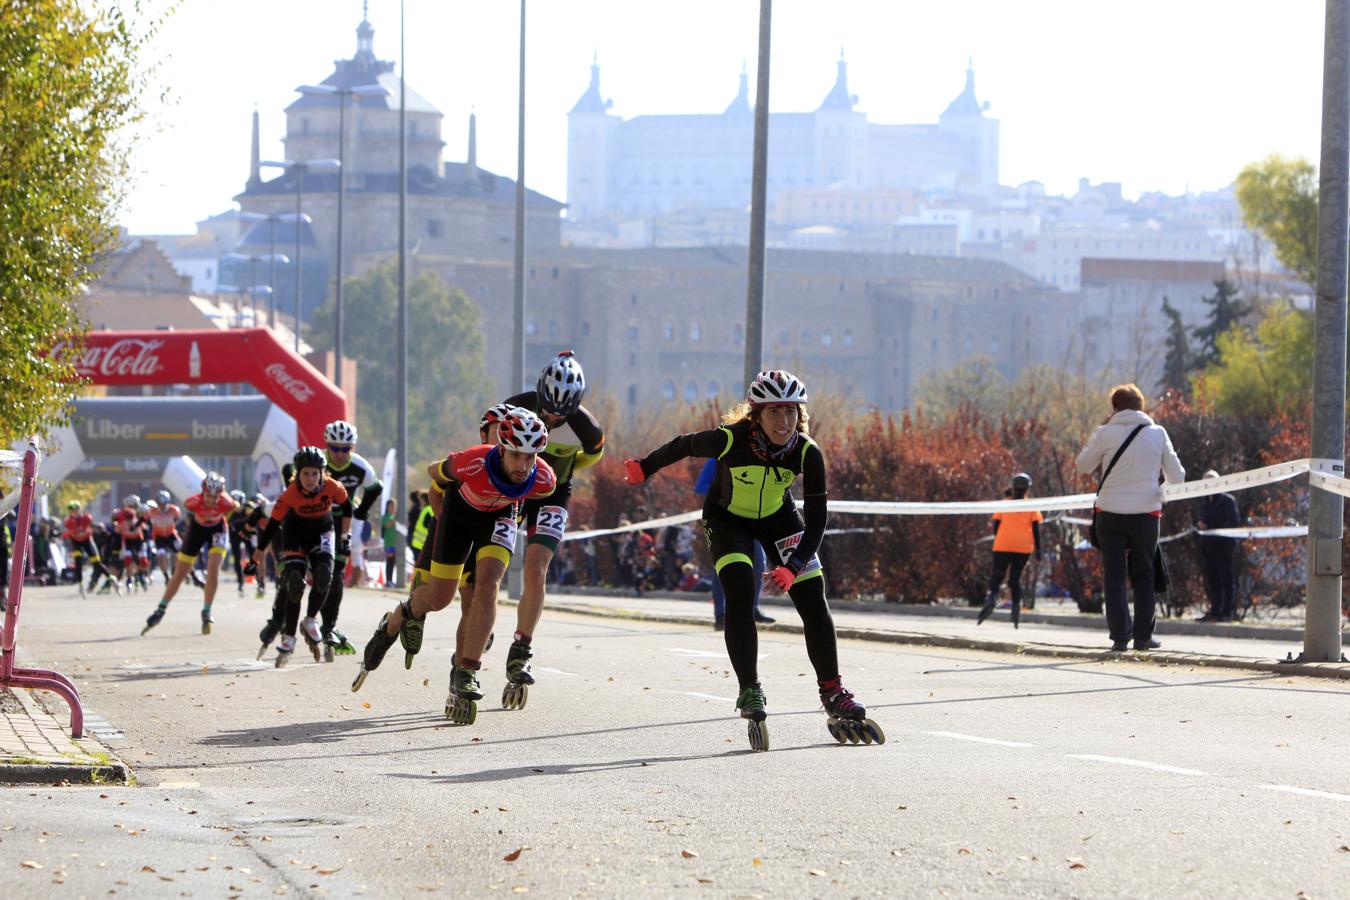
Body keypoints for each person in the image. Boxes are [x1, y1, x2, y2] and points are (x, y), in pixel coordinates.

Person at [623, 369, 884, 751]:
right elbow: (683, 445)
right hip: (727, 520)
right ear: (756, 415)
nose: (784, 422)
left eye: (791, 412)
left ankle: (832, 691)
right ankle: (750, 690)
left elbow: (817, 522)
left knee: (814, 600)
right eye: (775, 413)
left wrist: (792, 568)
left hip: (780, 519)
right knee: (740, 593)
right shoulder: (730, 439)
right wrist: (645, 466)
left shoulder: (808, 452)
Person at [352, 408, 556, 727]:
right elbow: (436, 478)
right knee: (439, 598)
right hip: (458, 516)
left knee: (486, 588)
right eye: (516, 455)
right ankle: (402, 616)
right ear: (501, 448)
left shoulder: (544, 479)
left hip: (499, 520)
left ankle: (466, 671)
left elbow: (534, 504)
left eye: (531, 457)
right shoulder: (472, 461)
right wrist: (442, 521)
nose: (523, 465)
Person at [502, 351, 605, 702]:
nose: (552, 415)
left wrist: (564, 469)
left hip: (554, 493)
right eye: (548, 407)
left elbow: (591, 455)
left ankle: (521, 649)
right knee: (490, 565)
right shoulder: (516, 407)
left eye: (562, 412)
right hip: (511, 489)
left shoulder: (587, 428)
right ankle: (478, 616)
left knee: (536, 571)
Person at [1074, 384, 1185, 652]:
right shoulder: (1158, 434)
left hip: (1109, 514)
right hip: (1146, 515)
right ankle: (1143, 637)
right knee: (1144, 574)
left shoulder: (1104, 433)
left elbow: (1082, 466)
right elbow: (1178, 477)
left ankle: (1119, 638)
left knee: (1114, 576)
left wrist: (1100, 442)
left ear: (1114, 407)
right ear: (1141, 406)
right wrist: (1159, 493)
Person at [251, 447, 350, 667]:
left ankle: (310, 620)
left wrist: (345, 535)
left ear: (322, 473)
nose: (310, 478)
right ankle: (288, 638)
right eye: (305, 473)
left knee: (325, 577)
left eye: (315, 473)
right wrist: (256, 555)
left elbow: (347, 506)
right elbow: (272, 525)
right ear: (298, 473)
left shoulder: (332, 486)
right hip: (294, 534)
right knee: (294, 582)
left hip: (322, 532)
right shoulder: (288, 496)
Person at [141, 472, 238, 636]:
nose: (212, 500)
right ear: (202, 493)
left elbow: (235, 505)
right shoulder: (192, 502)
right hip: (197, 530)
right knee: (179, 574)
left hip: (218, 530)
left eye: (216, 497)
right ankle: (160, 610)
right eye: (208, 496)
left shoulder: (227, 503)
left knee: (213, 572)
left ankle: (206, 611)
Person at [319, 419, 382, 657]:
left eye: (345, 449)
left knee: (335, 578)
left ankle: (329, 626)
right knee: (315, 574)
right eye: (334, 448)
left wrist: (362, 511)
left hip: (344, 523)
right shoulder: (318, 462)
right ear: (327, 446)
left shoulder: (360, 467)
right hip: (316, 523)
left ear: (352, 448)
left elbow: (375, 488)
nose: (339, 454)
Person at [694, 457, 774, 629]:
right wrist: (730, 490)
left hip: (752, 521)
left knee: (759, 565)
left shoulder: (757, 455)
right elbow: (700, 486)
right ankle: (720, 614)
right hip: (725, 522)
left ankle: (752, 609)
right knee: (723, 569)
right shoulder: (717, 457)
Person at [977, 472, 1043, 628]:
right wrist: (1039, 550)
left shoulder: (1004, 503)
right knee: (1014, 579)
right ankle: (1015, 607)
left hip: (1003, 544)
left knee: (997, 576)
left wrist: (1000, 539)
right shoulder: (1032, 506)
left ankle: (991, 599)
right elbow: (1036, 530)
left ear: (1013, 487)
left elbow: (996, 526)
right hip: (1023, 547)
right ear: (1028, 489)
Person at [1196, 469, 1241, 622]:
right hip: (1208, 547)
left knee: (1226, 580)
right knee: (1212, 580)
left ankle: (1227, 613)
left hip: (1224, 547)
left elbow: (1233, 522)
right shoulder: (1204, 502)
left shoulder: (1228, 501)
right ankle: (1214, 611)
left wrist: (1210, 526)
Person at [62, 501, 112, 598]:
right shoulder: (68, 521)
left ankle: (111, 578)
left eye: (75, 510)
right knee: (78, 561)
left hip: (87, 541)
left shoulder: (86, 518)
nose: (74, 512)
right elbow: (75, 534)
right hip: (76, 542)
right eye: (71, 510)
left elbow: (89, 528)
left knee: (97, 563)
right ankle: (80, 583)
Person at [112, 495, 149, 594]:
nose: (133, 507)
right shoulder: (123, 513)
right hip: (127, 539)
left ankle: (141, 575)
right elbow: (115, 524)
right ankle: (129, 579)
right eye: (131, 505)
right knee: (128, 559)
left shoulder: (141, 511)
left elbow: (147, 521)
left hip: (139, 539)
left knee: (143, 560)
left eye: (135, 505)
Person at [148, 490, 183, 586]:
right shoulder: (152, 512)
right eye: (160, 504)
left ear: (168, 502)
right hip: (159, 536)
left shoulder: (174, 510)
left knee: (179, 554)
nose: (162, 506)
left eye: (164, 503)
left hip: (171, 535)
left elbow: (177, 519)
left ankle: (174, 570)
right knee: (161, 555)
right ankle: (166, 577)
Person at [380, 498, 398, 588]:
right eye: (391, 506)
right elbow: (387, 525)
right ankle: (388, 581)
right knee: (389, 562)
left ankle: (391, 580)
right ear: (387, 507)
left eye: (394, 506)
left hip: (395, 544)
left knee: (394, 563)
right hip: (389, 543)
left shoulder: (394, 516)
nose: (393, 508)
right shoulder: (386, 516)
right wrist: (394, 519)